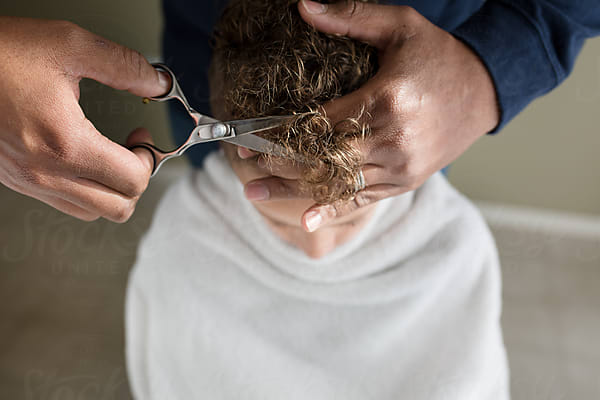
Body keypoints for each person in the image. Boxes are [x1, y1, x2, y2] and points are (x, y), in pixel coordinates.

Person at [126, 1, 508, 398]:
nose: (315, 253)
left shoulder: (450, 244)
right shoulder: (188, 234)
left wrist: (481, 79)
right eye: (278, 222)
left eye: (345, 219)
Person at [1, 0, 599, 228]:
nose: (315, 252)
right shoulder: (191, 226)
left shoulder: (447, 242)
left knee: (368, 182)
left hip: (411, 99)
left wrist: (486, 69)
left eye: (334, 221)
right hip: (208, 56)